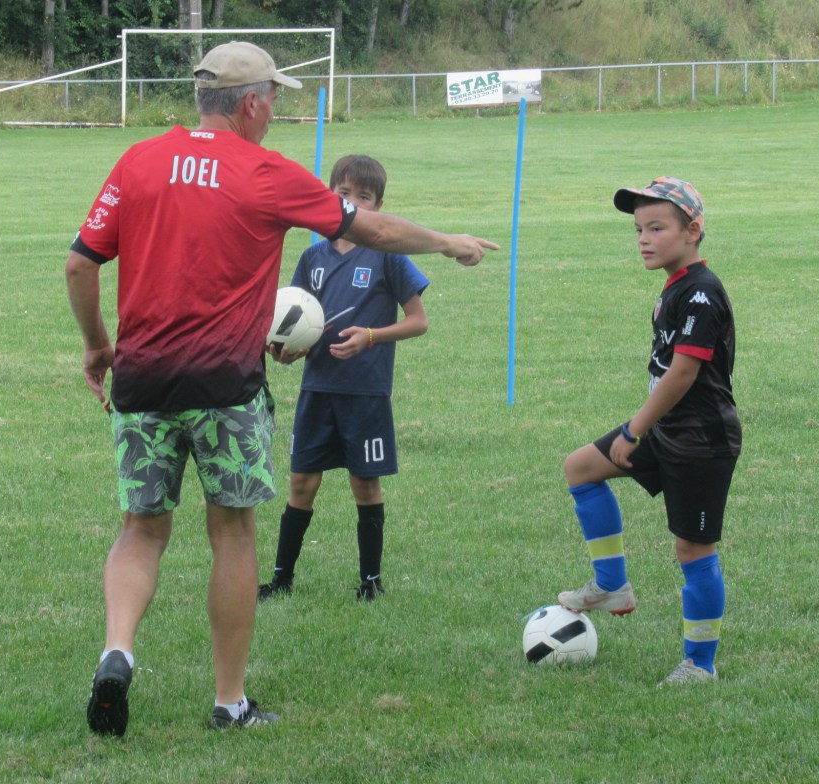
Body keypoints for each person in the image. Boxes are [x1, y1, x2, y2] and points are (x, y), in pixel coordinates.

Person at [65, 41, 497, 736]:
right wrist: (448, 241)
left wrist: (96, 345)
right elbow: (375, 227)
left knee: (141, 530)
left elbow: (80, 266)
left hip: (142, 380)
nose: (273, 115)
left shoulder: (138, 160)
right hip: (226, 386)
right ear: (251, 102)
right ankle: (229, 702)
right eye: (273, 102)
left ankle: (118, 650)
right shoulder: (265, 171)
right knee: (233, 534)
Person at [556, 177, 740, 686]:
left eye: (657, 228)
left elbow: (683, 373)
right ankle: (611, 586)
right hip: (668, 429)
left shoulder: (702, 291)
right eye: (639, 229)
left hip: (701, 440)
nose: (643, 239)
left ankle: (699, 664)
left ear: (693, 231)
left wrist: (635, 430)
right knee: (580, 468)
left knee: (693, 551)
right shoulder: (675, 286)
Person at [258, 155, 429, 604]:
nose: (353, 203)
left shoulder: (387, 256)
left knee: (365, 484)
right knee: (301, 483)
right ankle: (281, 579)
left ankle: (371, 581)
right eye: (344, 194)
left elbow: (418, 321)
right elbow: (294, 321)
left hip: (365, 391)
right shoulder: (312, 258)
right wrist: (287, 352)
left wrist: (371, 336)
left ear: (378, 206)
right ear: (330, 196)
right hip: (318, 390)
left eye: (364, 197)